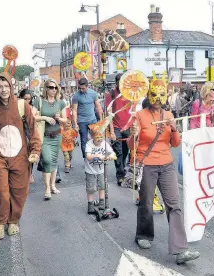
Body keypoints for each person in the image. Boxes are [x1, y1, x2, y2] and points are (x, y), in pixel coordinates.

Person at [128, 74, 200, 264]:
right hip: (147, 164)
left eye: (162, 95)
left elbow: (175, 143)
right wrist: (133, 134)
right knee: (146, 203)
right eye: (155, 95)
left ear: (166, 96)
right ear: (149, 95)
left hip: (166, 164)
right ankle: (143, 234)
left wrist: (175, 128)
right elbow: (131, 146)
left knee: (174, 204)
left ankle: (180, 249)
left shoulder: (168, 115)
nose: (158, 99)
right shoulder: (140, 115)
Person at [0, 72, 41, 239]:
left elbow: (33, 129)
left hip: (20, 156)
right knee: (1, 191)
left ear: (11, 87)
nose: (3, 89)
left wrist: (35, 150)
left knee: (19, 191)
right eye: (0, 86)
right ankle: (0, 222)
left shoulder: (21, 105)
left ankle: (13, 221)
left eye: (6, 86)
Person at [34, 79, 67, 200]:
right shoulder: (39, 101)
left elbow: (66, 120)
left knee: (53, 161)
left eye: (55, 88)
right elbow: (32, 116)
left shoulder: (60, 102)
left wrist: (59, 118)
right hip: (44, 137)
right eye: (51, 87)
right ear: (46, 88)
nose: (53, 90)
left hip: (57, 136)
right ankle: (47, 188)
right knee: (47, 160)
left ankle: (53, 185)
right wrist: (45, 118)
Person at [104, 73, 129, 186]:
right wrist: (112, 131)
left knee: (125, 151)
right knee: (118, 152)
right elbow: (108, 114)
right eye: (120, 82)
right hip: (116, 126)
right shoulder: (111, 94)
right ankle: (120, 175)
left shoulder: (130, 93)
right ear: (116, 83)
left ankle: (122, 168)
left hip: (128, 126)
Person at [85, 127, 116, 213]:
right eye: (97, 137)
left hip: (101, 170)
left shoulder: (104, 144)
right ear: (92, 137)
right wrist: (97, 155)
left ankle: (102, 203)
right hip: (90, 170)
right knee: (91, 188)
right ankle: (90, 205)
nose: (99, 139)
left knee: (102, 186)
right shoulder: (89, 144)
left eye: (101, 137)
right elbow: (88, 157)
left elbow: (112, 152)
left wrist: (111, 156)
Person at [72, 78, 103, 158]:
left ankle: (96, 156)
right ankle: (86, 159)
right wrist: (75, 124)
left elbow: (98, 107)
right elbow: (74, 110)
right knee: (84, 140)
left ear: (87, 86)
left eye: (83, 88)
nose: (81, 90)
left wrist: (101, 120)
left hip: (92, 119)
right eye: (80, 88)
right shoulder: (76, 96)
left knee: (96, 138)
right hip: (81, 121)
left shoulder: (93, 93)